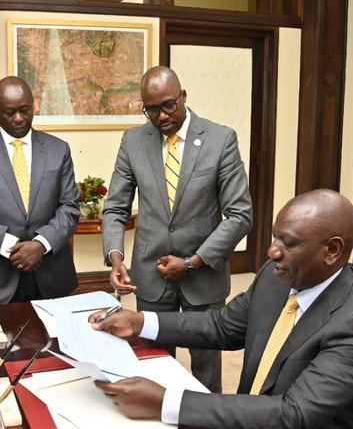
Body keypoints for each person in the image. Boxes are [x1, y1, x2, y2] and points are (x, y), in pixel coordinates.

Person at [92, 190, 353, 428]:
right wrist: (140, 322)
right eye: (276, 236)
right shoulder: (276, 276)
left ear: (332, 251)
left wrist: (167, 403)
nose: (272, 250)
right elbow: (222, 327)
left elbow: (295, 414)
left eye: (289, 243)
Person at [101, 65, 253, 392]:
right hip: (151, 273)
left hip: (204, 273)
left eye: (169, 105)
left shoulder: (220, 139)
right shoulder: (133, 141)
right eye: (151, 110)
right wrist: (115, 256)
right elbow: (115, 206)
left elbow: (240, 214)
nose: (161, 116)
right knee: (157, 362)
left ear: (183, 96)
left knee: (206, 367)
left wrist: (193, 262)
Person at [0, 76, 79, 303]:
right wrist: (11, 247)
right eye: (10, 112)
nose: (19, 118)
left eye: (25, 110)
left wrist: (41, 245)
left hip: (49, 272)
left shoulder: (58, 150)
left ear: (34, 105)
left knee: (55, 338)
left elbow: (69, 207)